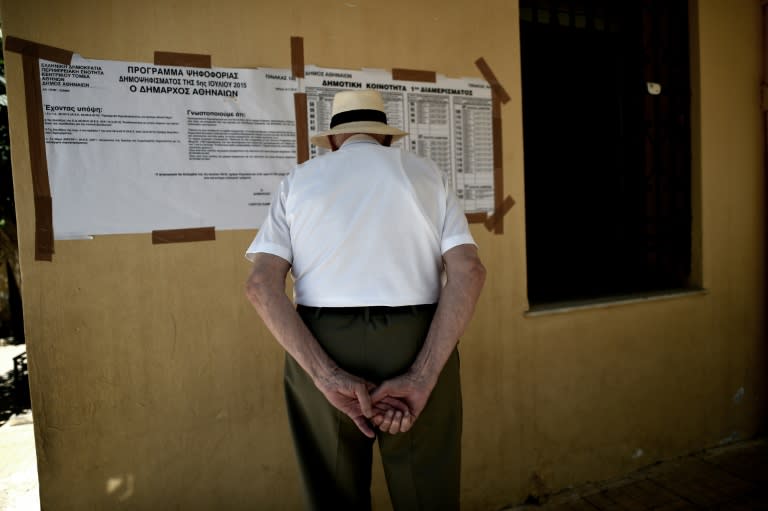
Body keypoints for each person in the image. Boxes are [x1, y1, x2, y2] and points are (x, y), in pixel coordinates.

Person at [244, 89, 485, 510]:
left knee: (333, 486)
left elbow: (261, 285)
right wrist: (424, 375)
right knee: (426, 485)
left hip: (321, 338)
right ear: (386, 138)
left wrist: (326, 375)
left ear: (334, 140)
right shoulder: (427, 175)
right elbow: (469, 272)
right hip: (418, 337)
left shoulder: (299, 181)